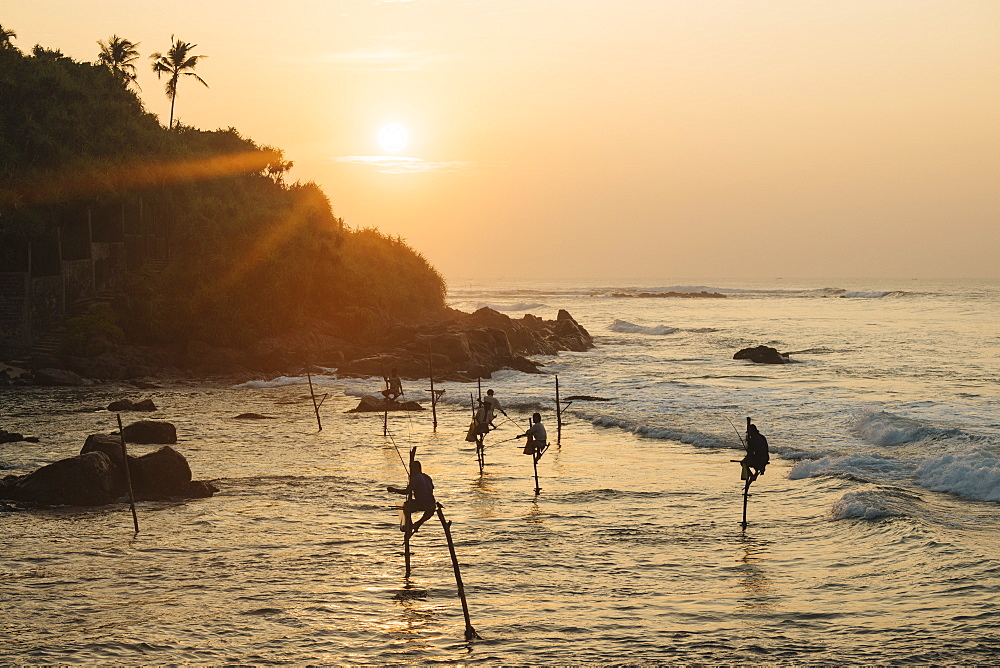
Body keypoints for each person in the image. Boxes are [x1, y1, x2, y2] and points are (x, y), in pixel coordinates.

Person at [387, 460, 436, 534]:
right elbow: (431, 488)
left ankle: (409, 525)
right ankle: (417, 524)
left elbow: (407, 491)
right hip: (431, 503)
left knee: (406, 506)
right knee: (429, 511)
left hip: (422, 503)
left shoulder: (415, 478)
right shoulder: (427, 477)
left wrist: (394, 490)